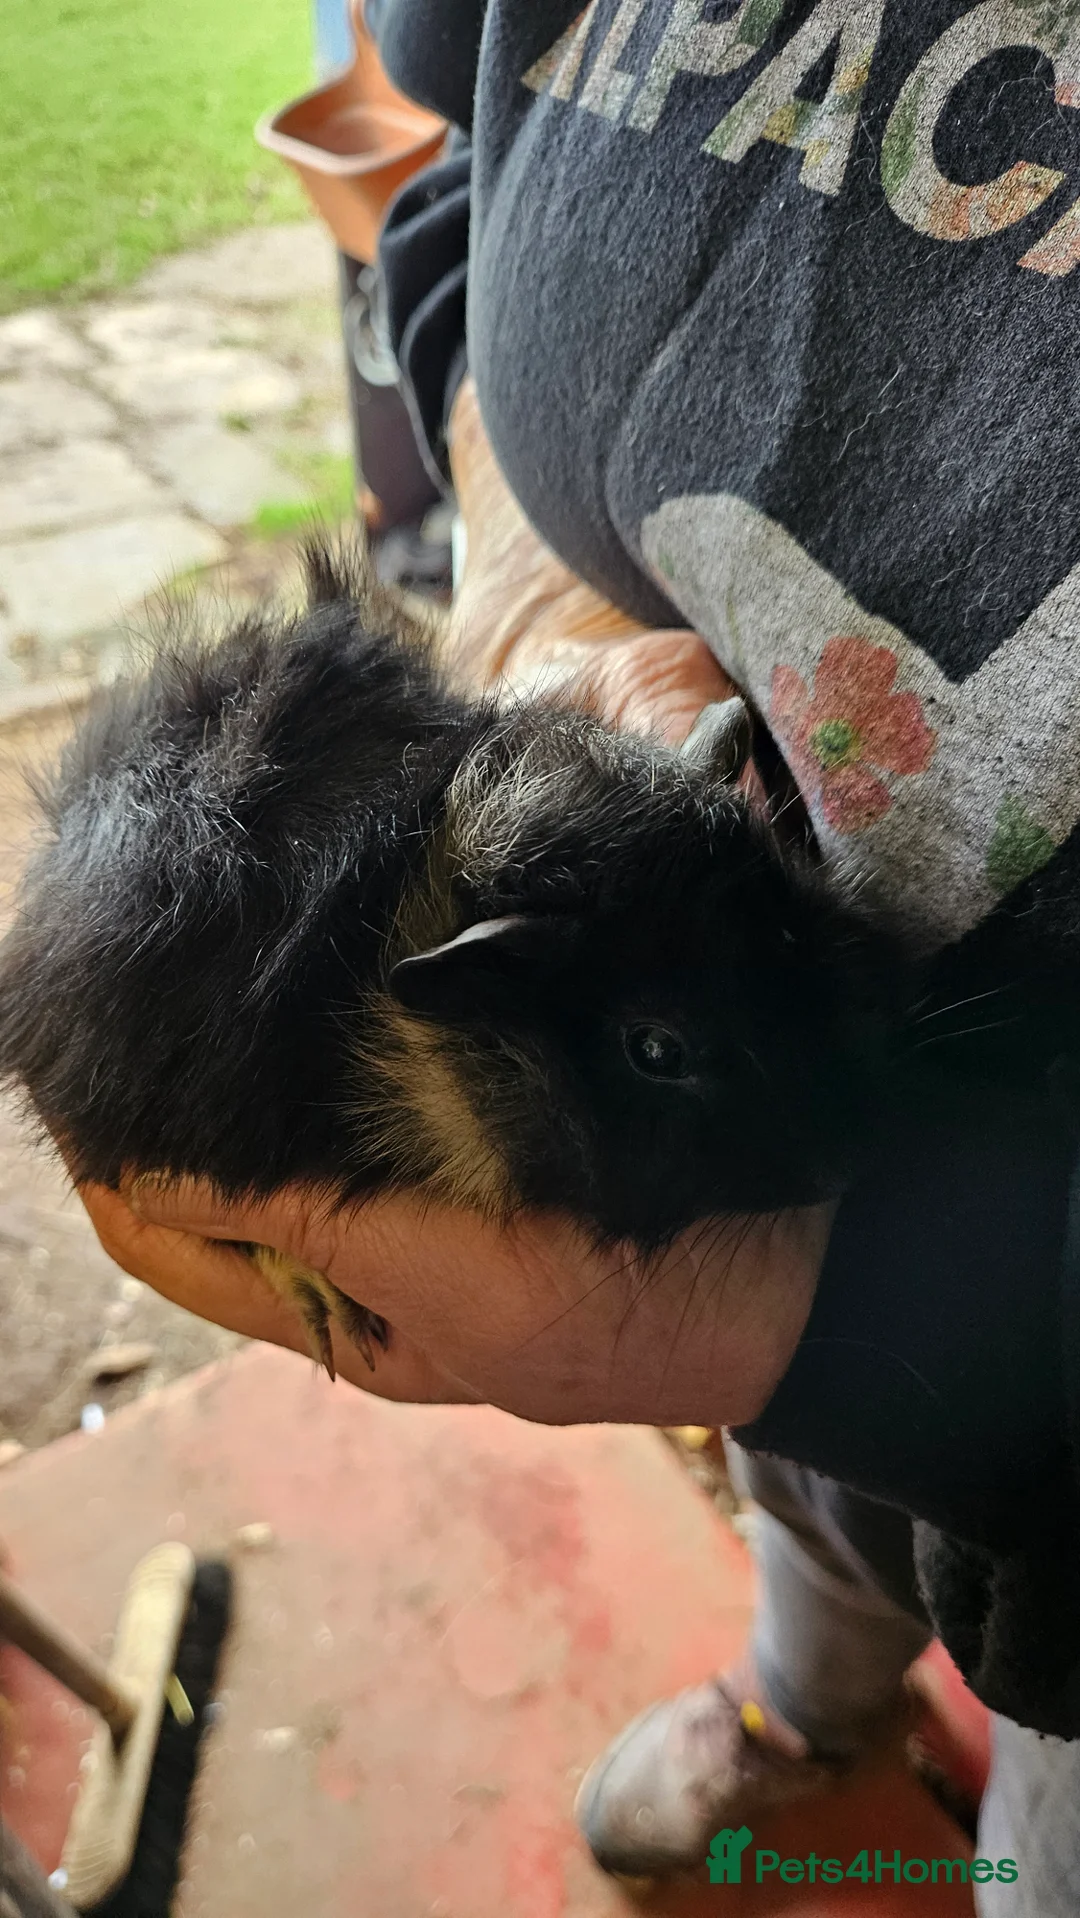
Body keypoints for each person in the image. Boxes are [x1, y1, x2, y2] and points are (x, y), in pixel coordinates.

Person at [72, 5, 1080, 1911]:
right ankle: (806, 1701)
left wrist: (778, 1327)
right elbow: (459, 169)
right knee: (808, 1505)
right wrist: (534, 586)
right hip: (746, 1174)